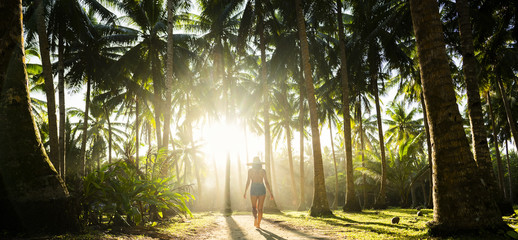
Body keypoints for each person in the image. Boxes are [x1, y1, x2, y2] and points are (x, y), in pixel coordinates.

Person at [243, 156, 273, 228]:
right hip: (261, 187)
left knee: (254, 208)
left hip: (254, 187)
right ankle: (258, 223)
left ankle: (256, 219)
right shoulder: (263, 171)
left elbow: (248, 181)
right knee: (260, 208)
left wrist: (245, 191)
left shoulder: (250, 171)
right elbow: (266, 182)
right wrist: (270, 193)